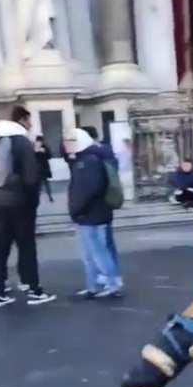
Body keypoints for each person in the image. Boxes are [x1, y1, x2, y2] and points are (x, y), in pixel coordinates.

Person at [0, 105, 56, 307]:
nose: (30, 124)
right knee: (26, 246)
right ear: (22, 120)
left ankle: (0, 289)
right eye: (29, 120)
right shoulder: (21, 142)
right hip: (20, 203)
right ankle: (33, 288)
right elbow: (31, 177)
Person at [67, 128, 123, 299]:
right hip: (90, 214)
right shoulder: (85, 158)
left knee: (99, 253)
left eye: (70, 141)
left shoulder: (88, 161)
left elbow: (90, 189)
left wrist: (76, 208)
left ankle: (112, 283)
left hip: (92, 214)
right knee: (90, 254)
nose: (67, 144)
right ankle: (93, 286)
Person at [35, 135, 54, 202]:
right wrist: (36, 151)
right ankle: (38, 198)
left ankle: (50, 196)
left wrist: (44, 152)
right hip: (38, 169)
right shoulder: (34, 148)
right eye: (38, 141)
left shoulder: (45, 147)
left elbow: (50, 156)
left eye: (40, 141)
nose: (39, 143)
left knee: (46, 183)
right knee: (39, 185)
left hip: (44, 167)